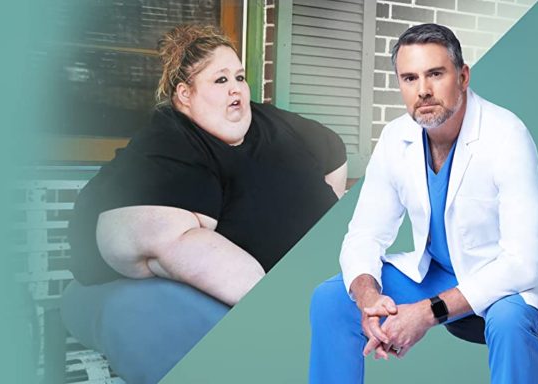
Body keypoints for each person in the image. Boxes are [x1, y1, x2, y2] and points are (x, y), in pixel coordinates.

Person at [62, 24, 348, 383]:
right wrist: (287, 314)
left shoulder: (273, 123)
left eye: (240, 77)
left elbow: (334, 154)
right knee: (149, 313)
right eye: (220, 80)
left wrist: (330, 213)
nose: (237, 90)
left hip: (320, 288)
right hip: (151, 291)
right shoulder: (167, 146)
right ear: (185, 94)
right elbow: (172, 244)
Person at [309, 23, 538, 384]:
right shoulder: (396, 137)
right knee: (330, 301)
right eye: (410, 78)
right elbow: (365, 233)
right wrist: (368, 298)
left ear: (462, 77)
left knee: (509, 322)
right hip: (441, 271)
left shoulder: (506, 136)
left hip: (509, 279)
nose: (423, 91)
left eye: (435, 74)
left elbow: (523, 264)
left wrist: (428, 312)